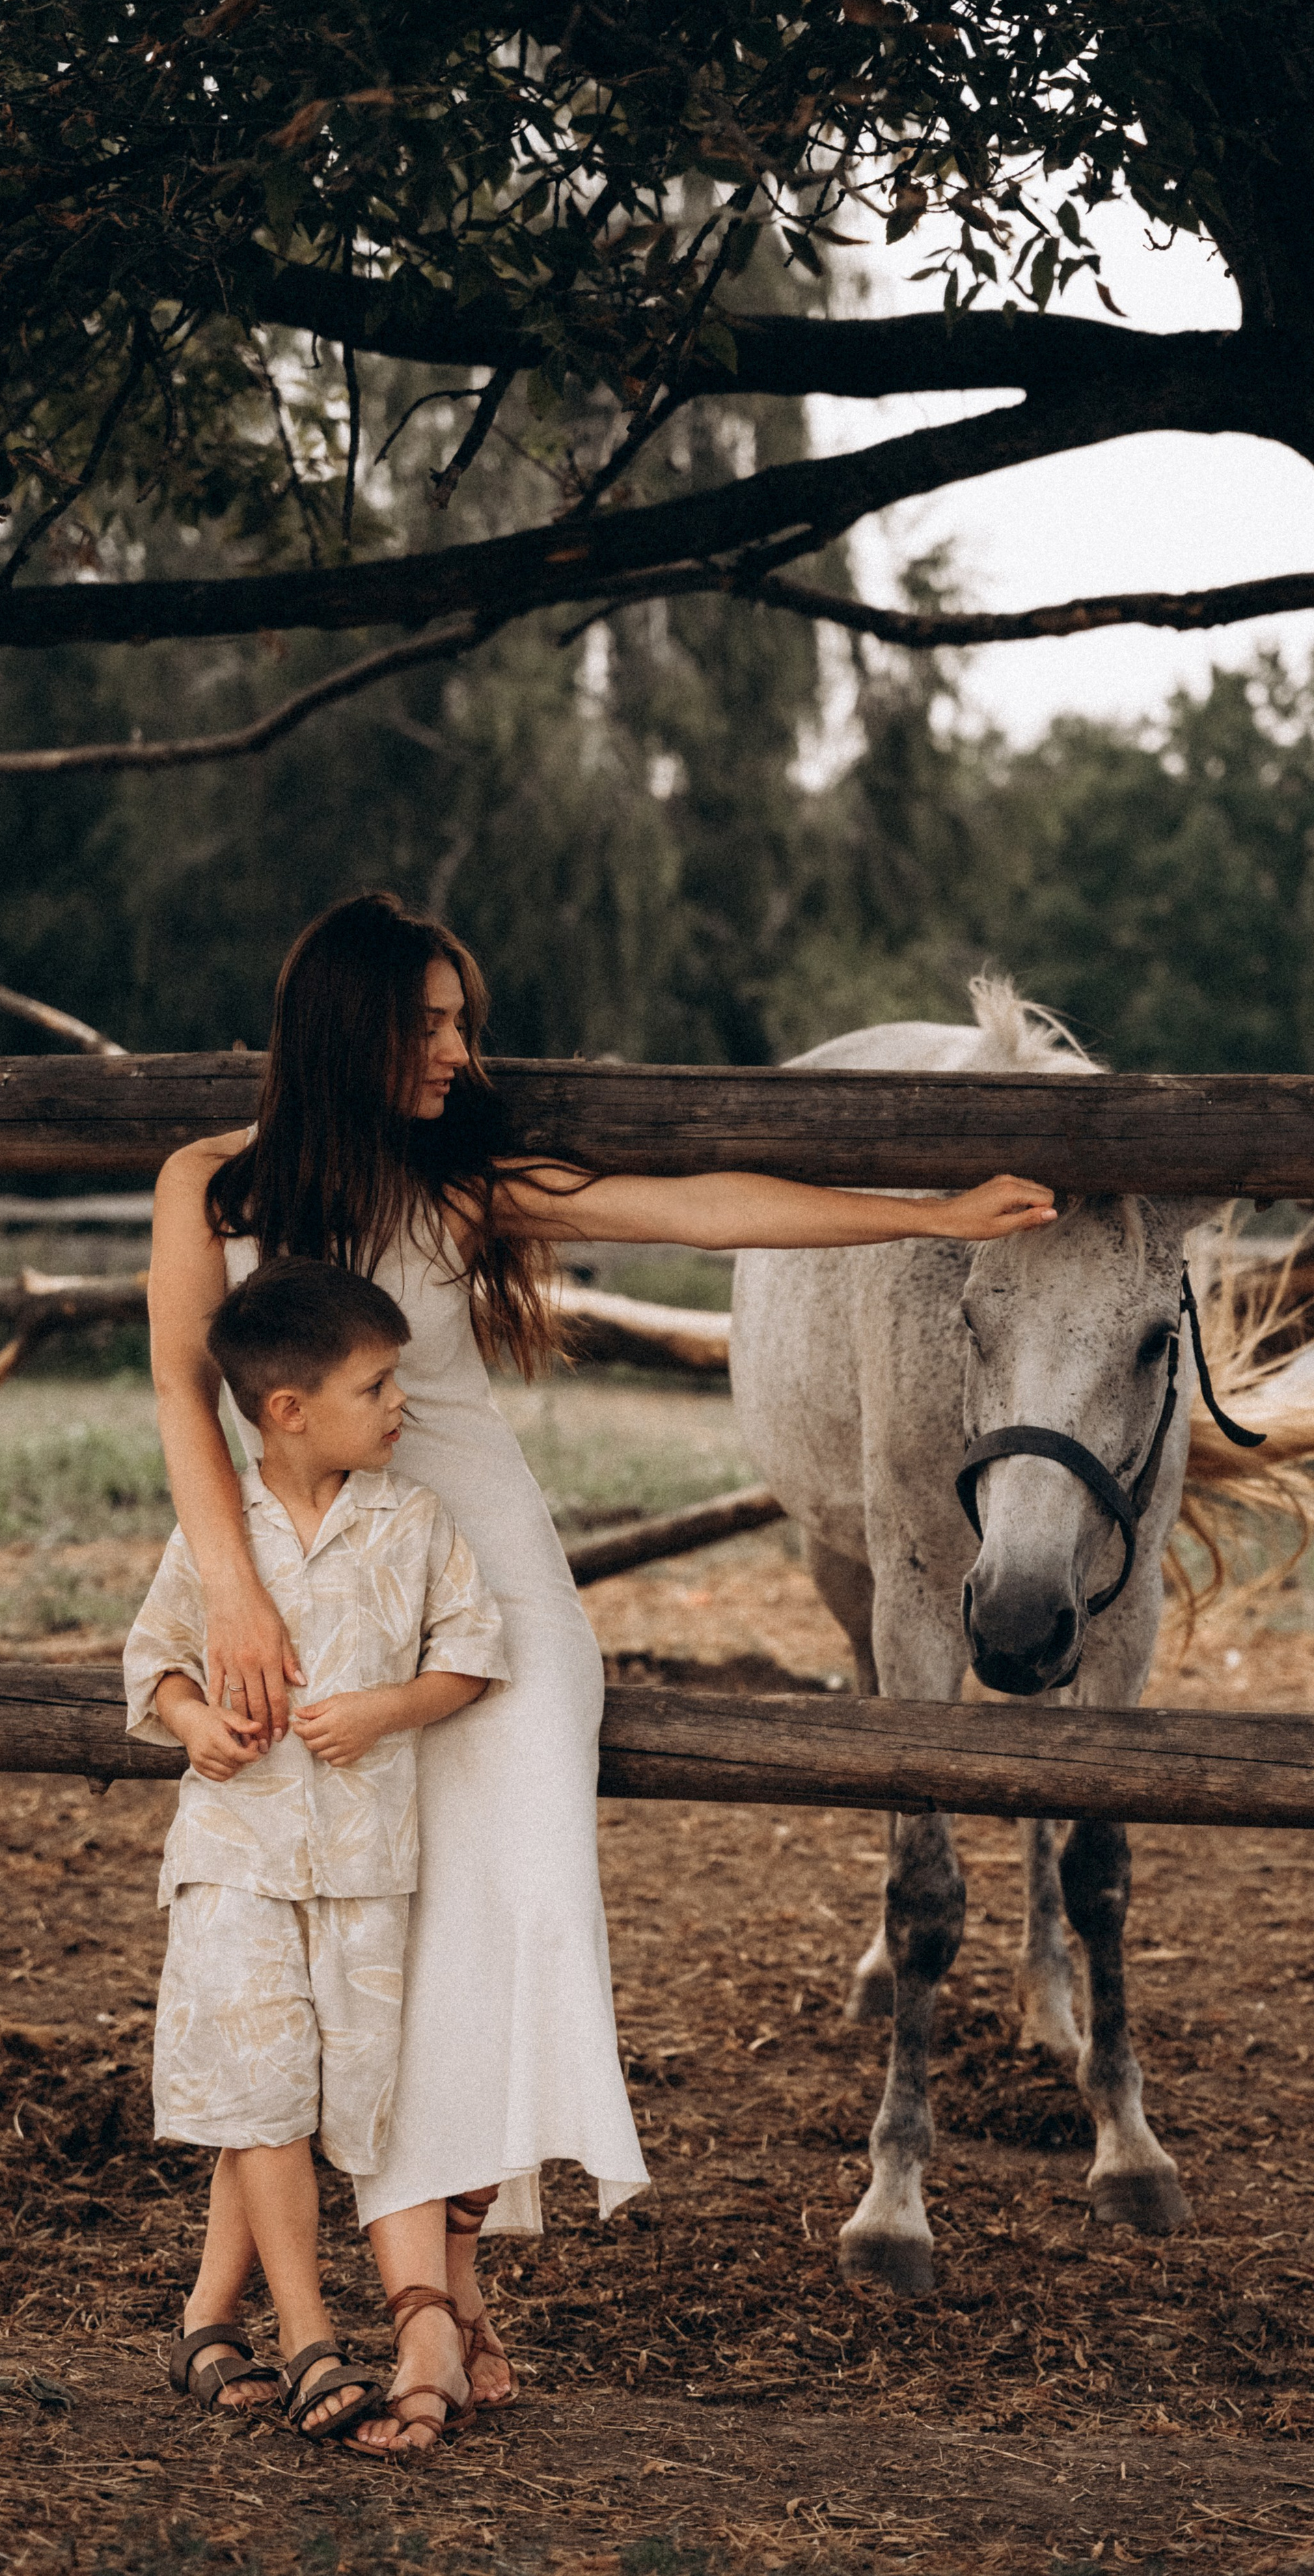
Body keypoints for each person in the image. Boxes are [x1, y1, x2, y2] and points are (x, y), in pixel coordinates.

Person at [148, 891, 1058, 2452]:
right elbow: (182, 1390)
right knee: (330, 1920)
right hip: (309, 1578)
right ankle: (356, 2300)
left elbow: (697, 1206)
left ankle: (430, 2293)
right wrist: (233, 1597)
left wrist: (930, 1212)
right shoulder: (207, 1185)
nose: (458, 1050)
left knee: (504, 1912)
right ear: (349, 1024)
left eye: (461, 1021)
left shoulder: (459, 1185)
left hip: (487, 1581)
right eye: (430, 1022)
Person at [128, 1256, 509, 2452]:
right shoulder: (218, 1531)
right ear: (289, 1410)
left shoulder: (414, 1521)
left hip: (358, 1870)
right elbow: (157, 1658)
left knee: (303, 2095)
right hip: (235, 1855)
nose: (402, 1403)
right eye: (377, 1385)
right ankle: (308, 2337)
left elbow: (472, 1653)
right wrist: (194, 1721)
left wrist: (389, 1710)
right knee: (261, 2092)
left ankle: (206, 2321)